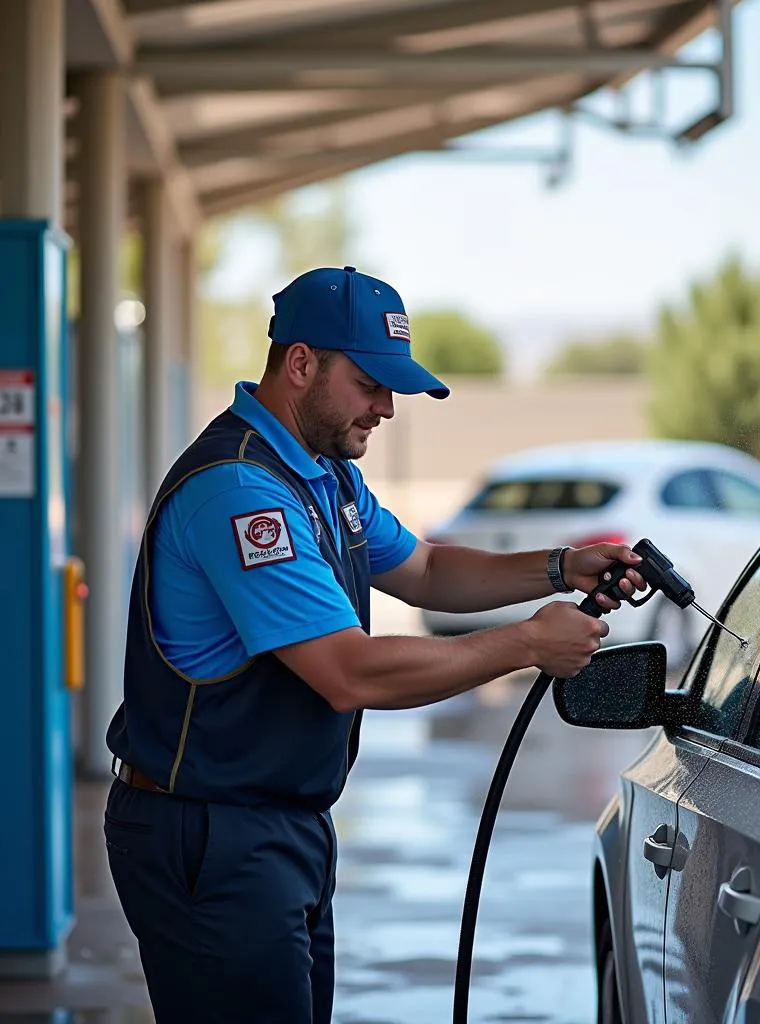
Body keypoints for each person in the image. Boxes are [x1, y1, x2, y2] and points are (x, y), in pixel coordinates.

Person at [103, 265, 646, 1023]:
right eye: (369, 384)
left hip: (276, 826)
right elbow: (348, 673)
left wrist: (558, 566)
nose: (386, 407)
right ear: (300, 364)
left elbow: (424, 570)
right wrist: (527, 643)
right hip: (213, 833)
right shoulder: (241, 491)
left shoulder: (324, 477)